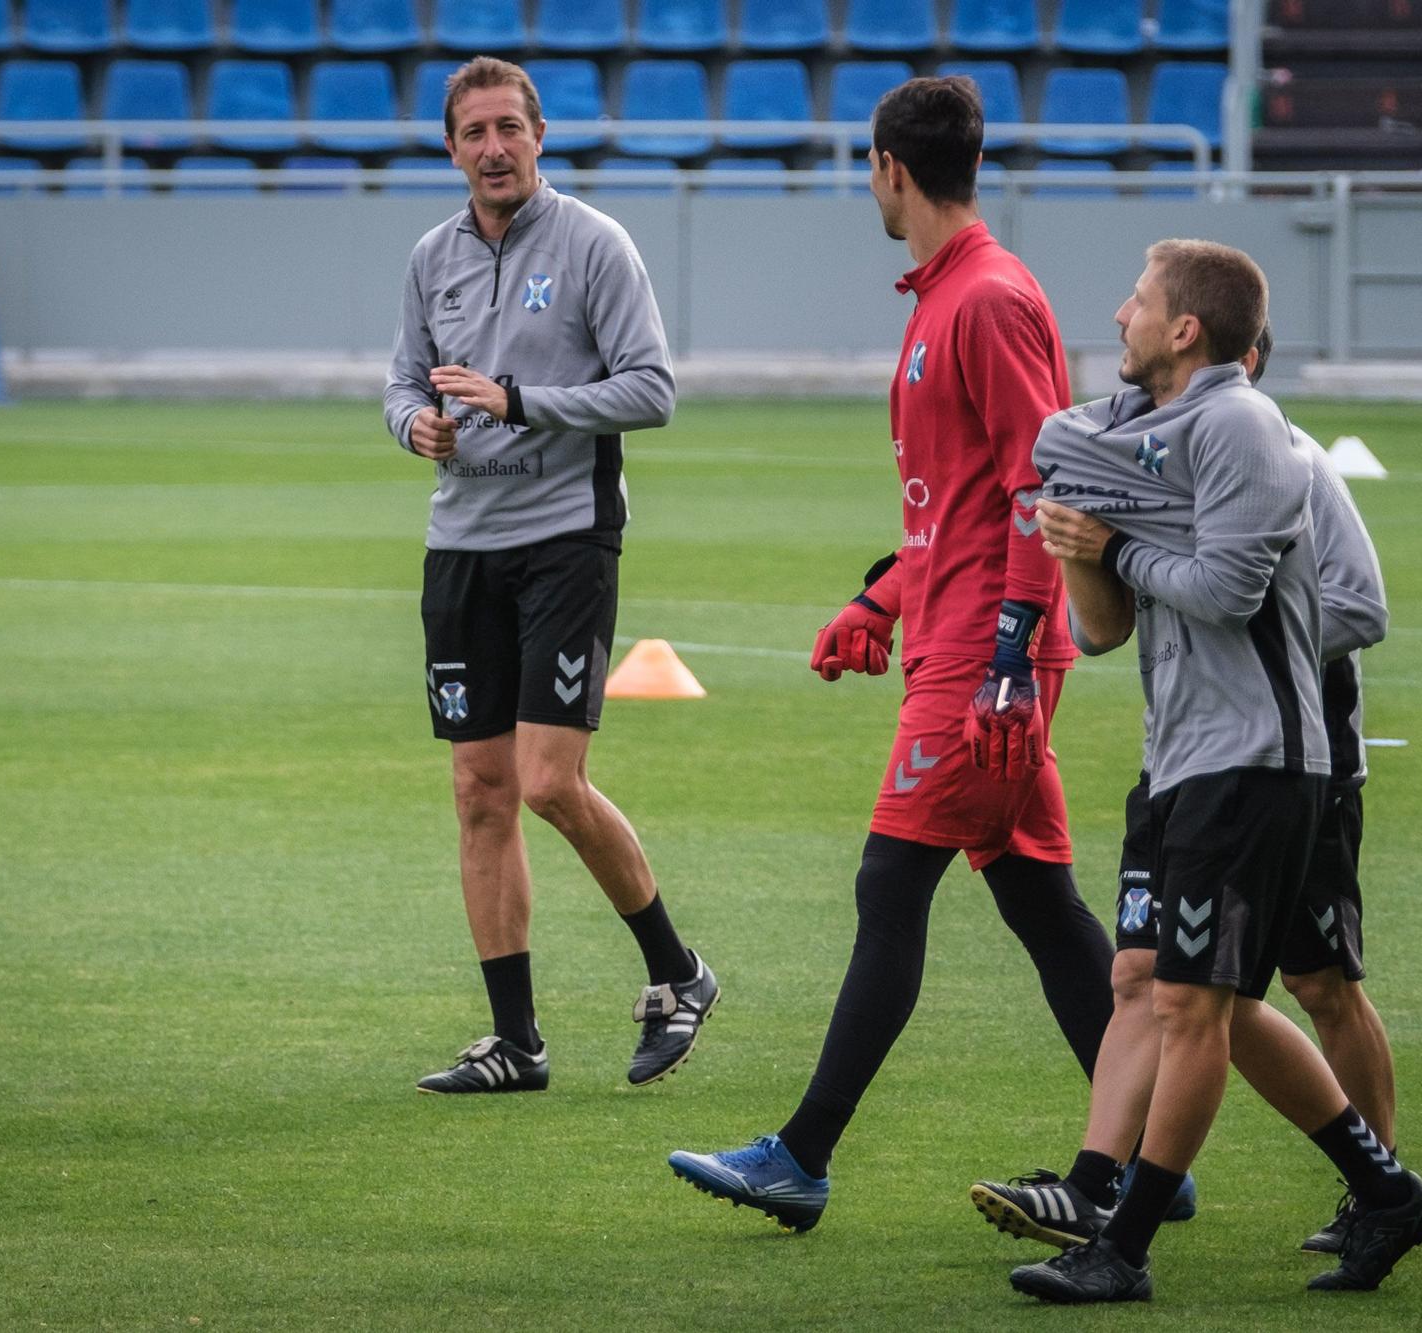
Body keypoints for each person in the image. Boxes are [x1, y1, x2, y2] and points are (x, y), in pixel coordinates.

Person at [664, 75, 1116, 1232]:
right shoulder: (944, 295)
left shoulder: (988, 300)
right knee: (1036, 901)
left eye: (867, 168)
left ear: (889, 170)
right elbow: (955, 505)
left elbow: (1034, 485)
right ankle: (1145, 1154)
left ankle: (799, 1157)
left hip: (983, 656)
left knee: (888, 884)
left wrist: (1010, 649)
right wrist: (879, 597)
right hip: (957, 631)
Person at [1006, 241, 1422, 1302]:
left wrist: (1114, 546)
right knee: (1180, 991)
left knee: (1216, 1000)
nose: (1118, 315)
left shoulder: (1247, 425)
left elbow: (1231, 591)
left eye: (1139, 302)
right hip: (1182, 761)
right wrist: (1078, 542)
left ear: (1185, 329)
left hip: (1257, 763)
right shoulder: (1147, 440)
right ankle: (1382, 1190)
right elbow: (1104, 632)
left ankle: (1123, 1243)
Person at [383, 56, 716, 1096]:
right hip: (460, 547)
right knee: (478, 790)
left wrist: (518, 399)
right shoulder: (429, 256)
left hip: (566, 538)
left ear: (539, 138)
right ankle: (515, 1042)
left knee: (545, 782)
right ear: (450, 148)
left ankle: (678, 972)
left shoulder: (591, 245)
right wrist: (416, 425)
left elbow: (651, 390)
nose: (491, 148)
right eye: (472, 132)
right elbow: (398, 380)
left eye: (507, 129)